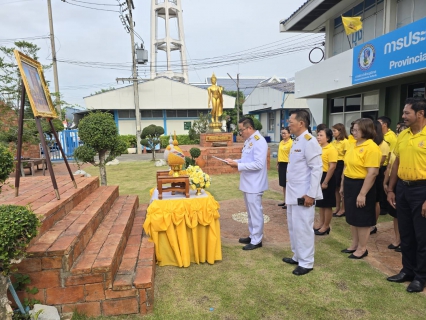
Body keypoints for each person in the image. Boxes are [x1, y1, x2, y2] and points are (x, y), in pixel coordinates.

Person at [387, 98, 426, 293]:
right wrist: (391, 189)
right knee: (406, 233)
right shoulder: (402, 135)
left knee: (422, 236)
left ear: (420, 114)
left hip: (422, 190)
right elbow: (397, 163)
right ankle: (407, 271)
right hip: (403, 188)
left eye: (406, 113)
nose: (403, 116)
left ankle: (421, 277)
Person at [282, 109, 322, 276]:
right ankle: (298, 255)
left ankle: (306, 262)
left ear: (301, 123)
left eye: (291, 122)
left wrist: (311, 194)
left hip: (304, 194)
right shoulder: (297, 141)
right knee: (293, 227)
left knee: (304, 228)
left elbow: (317, 169)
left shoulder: (309, 141)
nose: (288, 124)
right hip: (293, 193)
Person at [340, 118, 381, 259]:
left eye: (357, 130)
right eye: (353, 129)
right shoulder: (353, 144)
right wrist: (342, 185)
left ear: (366, 130)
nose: (354, 132)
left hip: (363, 184)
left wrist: (362, 193)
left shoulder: (372, 147)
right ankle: (355, 244)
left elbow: (373, 172)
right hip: (350, 183)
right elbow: (346, 166)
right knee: (352, 216)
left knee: (362, 218)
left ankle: (363, 248)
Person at [225, 117, 268, 250]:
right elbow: (246, 159)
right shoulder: (250, 141)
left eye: (241, 130)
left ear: (249, 128)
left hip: (255, 183)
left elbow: (258, 164)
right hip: (248, 182)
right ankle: (252, 234)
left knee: (255, 212)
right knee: (250, 212)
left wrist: (238, 165)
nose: (240, 133)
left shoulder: (259, 141)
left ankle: (257, 240)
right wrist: (234, 161)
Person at [314, 128, 337, 235]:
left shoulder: (331, 149)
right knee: (320, 202)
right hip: (318, 175)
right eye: (318, 135)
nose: (318, 137)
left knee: (327, 204)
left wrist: (325, 182)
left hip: (327, 176)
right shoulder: (318, 147)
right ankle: (321, 223)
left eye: (321, 135)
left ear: (328, 137)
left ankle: (326, 226)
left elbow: (332, 167)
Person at [370, 120, 390, 235]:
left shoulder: (384, 145)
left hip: (378, 172)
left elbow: (380, 162)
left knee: (376, 200)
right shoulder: (369, 143)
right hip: (368, 172)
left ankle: (374, 224)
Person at [331, 123, 349, 218]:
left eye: (335, 131)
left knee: (341, 188)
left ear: (340, 131)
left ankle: (343, 208)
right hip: (334, 163)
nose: (333, 133)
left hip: (341, 164)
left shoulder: (345, 142)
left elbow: (347, 155)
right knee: (336, 188)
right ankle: (337, 207)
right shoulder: (333, 142)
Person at [277, 127, 293, 210]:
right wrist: (278, 163)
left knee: (288, 184)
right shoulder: (281, 142)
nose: (283, 135)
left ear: (289, 134)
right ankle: (285, 200)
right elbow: (279, 153)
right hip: (281, 164)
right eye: (282, 133)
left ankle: (288, 202)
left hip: (288, 164)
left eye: (285, 133)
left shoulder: (291, 143)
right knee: (283, 184)